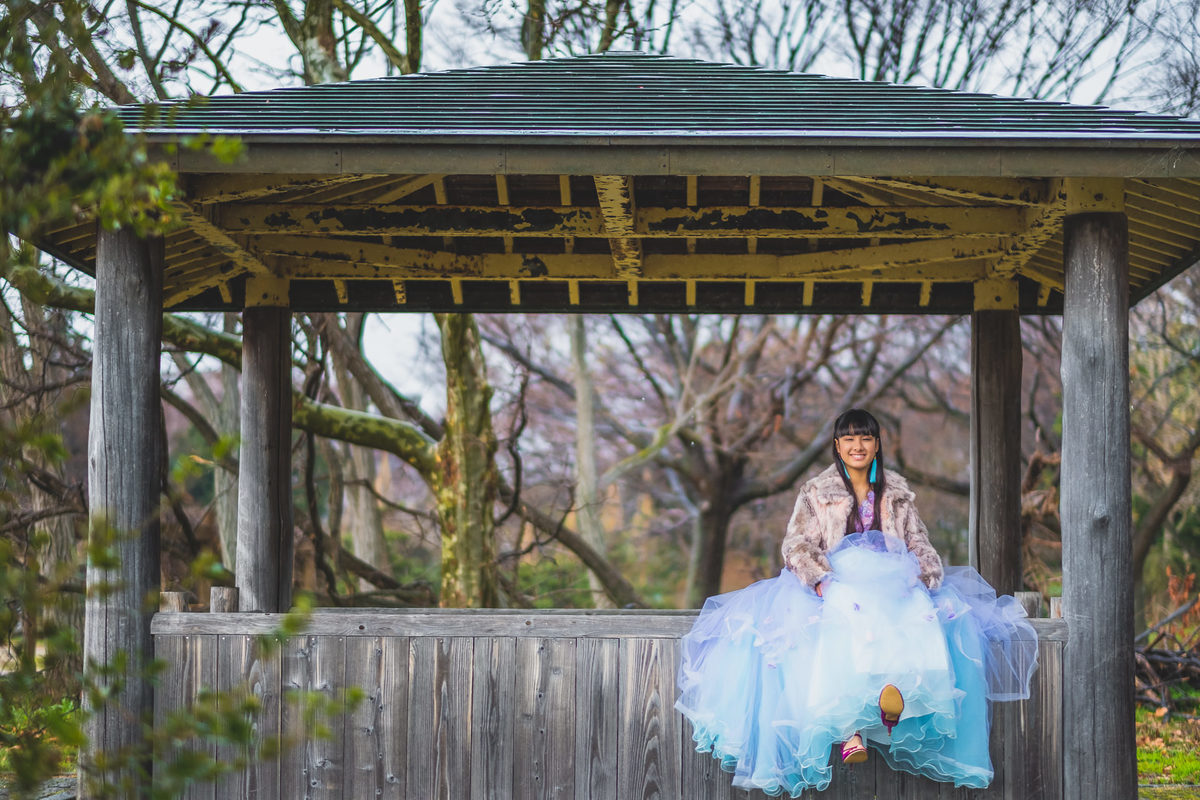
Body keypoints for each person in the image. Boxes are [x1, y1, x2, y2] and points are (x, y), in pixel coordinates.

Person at [675, 408, 1038, 796]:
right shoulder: (817, 492)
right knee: (846, 616)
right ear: (837, 446)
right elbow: (796, 544)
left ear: (877, 444)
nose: (857, 446)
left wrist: (922, 571)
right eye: (848, 439)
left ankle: (896, 696)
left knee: (921, 611)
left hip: (891, 578)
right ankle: (851, 731)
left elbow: (918, 541)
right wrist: (818, 578)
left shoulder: (896, 492)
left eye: (865, 438)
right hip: (839, 578)